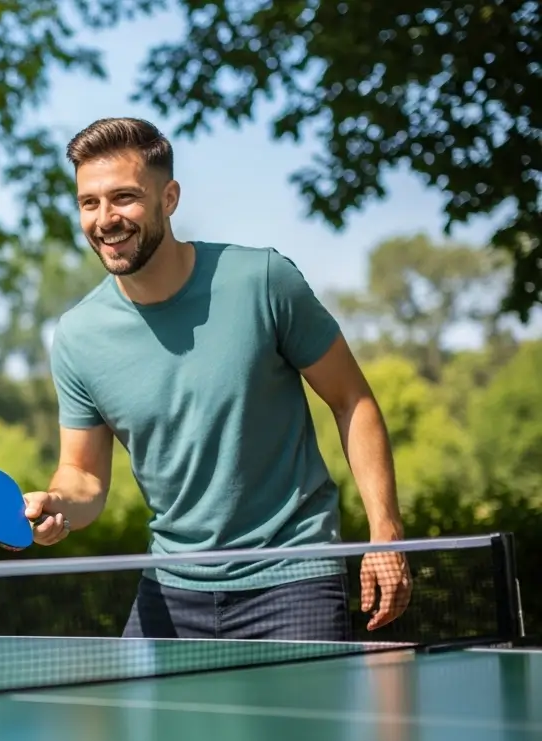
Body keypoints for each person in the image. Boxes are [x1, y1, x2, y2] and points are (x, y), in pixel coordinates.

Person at [23, 117, 412, 641]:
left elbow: (352, 400)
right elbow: (84, 478)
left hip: (292, 577)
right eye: (89, 202)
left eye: (124, 198)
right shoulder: (77, 337)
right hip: (170, 589)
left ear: (170, 197)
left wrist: (385, 532)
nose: (105, 218)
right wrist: (58, 507)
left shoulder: (264, 281)